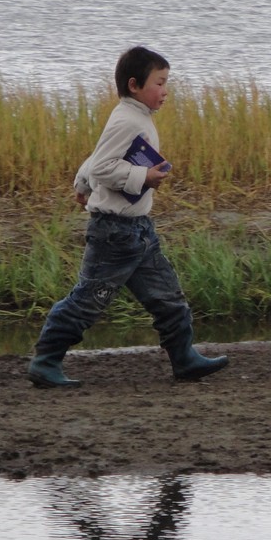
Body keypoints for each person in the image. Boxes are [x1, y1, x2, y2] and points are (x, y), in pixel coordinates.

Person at [27, 45, 228, 388]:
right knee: (88, 300)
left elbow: (98, 155)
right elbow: (104, 164)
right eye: (160, 83)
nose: (166, 91)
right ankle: (45, 362)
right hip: (114, 232)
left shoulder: (134, 116)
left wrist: (81, 182)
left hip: (139, 231)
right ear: (135, 85)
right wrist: (144, 178)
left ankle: (185, 358)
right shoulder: (128, 118)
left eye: (167, 83)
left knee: (167, 296)